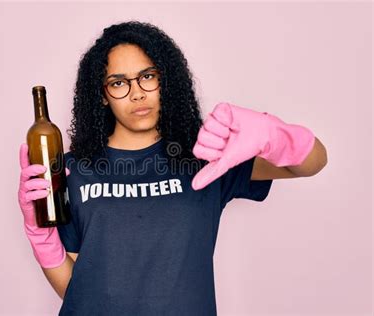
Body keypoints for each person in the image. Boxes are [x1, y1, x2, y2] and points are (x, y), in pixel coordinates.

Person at [18, 21, 326, 315]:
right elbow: (77, 289)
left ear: (166, 79)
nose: (137, 92)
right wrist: (41, 237)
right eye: (118, 83)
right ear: (101, 95)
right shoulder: (74, 169)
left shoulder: (208, 155)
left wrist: (276, 135)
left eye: (148, 76)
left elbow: (312, 163)